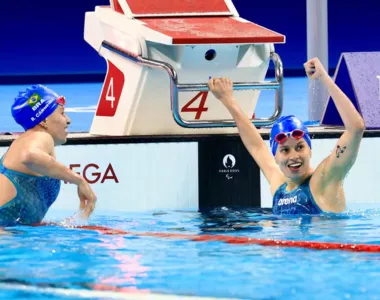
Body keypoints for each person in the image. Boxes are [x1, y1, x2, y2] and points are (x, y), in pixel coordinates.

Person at [208, 57, 365, 215]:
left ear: (310, 150)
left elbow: (356, 128)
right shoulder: (279, 185)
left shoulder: (324, 180)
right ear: (275, 157)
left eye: (300, 147)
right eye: (285, 150)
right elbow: (256, 146)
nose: (294, 156)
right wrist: (227, 99)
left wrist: (324, 78)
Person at [0, 84, 97, 226]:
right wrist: (79, 180)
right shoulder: (40, 136)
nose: (68, 120)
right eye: (62, 113)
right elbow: (29, 155)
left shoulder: (30, 140)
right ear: (44, 120)